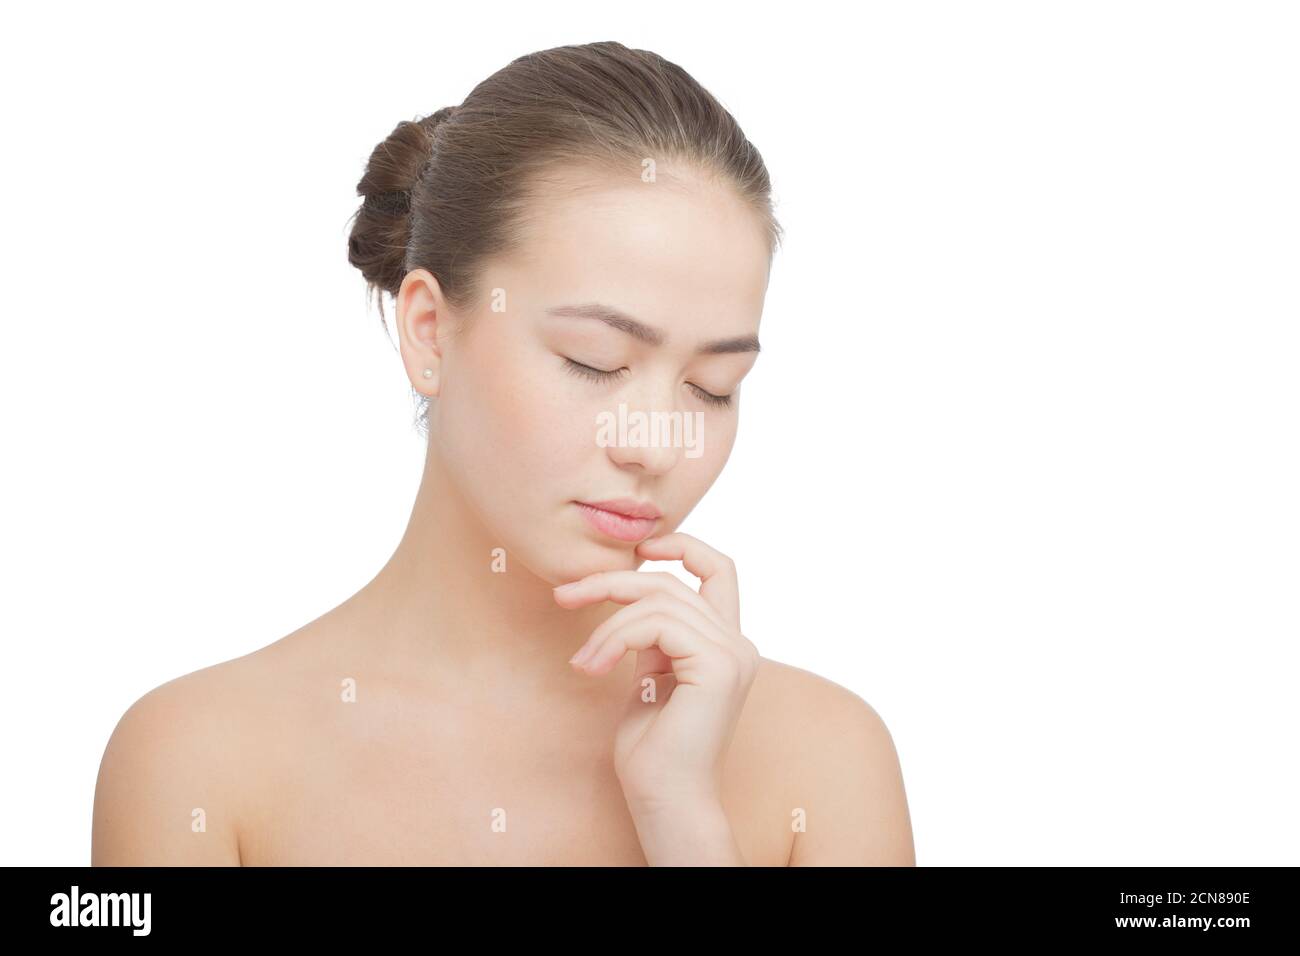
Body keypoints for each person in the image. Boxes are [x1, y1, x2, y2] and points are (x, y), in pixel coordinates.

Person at [91, 40, 915, 866]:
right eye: (595, 361)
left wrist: (683, 820)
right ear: (429, 330)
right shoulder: (200, 763)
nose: (656, 443)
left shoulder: (827, 764)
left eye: (713, 385)